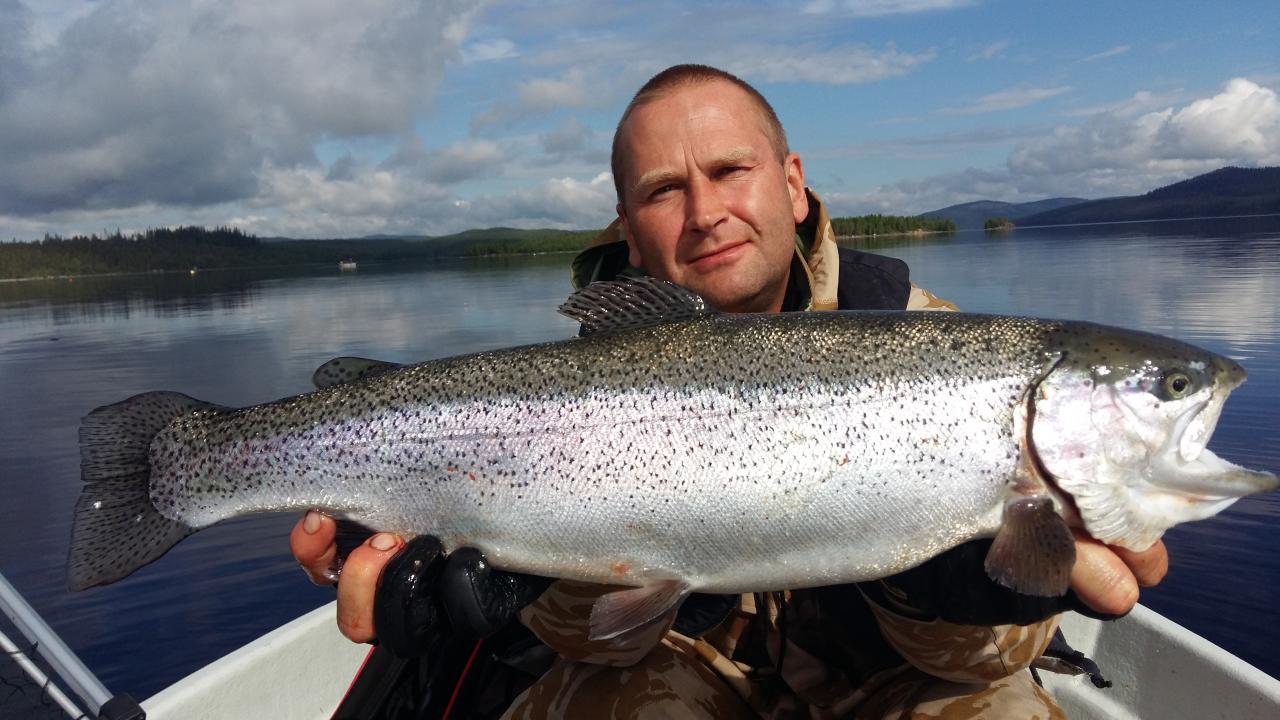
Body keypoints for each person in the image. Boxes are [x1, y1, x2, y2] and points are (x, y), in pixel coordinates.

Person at [291, 64, 1169, 717]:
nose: (705, 212)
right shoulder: (573, 401)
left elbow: (989, 662)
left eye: (729, 171)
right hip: (685, 675)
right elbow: (603, 642)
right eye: (664, 190)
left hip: (894, 682)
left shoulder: (947, 354)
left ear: (793, 184)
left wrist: (933, 591)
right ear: (629, 234)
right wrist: (545, 591)